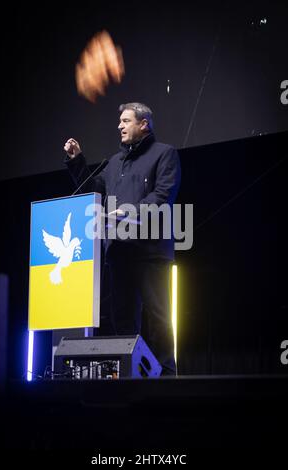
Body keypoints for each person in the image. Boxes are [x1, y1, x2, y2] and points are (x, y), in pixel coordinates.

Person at [64, 102, 181, 375]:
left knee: (160, 317)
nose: (119, 126)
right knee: (123, 319)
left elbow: (163, 195)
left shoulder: (165, 154)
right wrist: (77, 160)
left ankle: (166, 375)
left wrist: (129, 213)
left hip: (151, 252)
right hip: (118, 253)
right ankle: (131, 374)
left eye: (126, 121)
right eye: (120, 121)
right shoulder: (114, 163)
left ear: (144, 124)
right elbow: (92, 189)